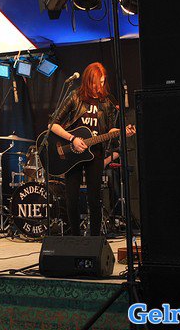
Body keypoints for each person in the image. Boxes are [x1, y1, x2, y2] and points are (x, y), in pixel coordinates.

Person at [51, 62, 135, 236]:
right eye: (97, 82)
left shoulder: (107, 101)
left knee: (94, 199)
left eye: (103, 82)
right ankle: (75, 237)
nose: (100, 86)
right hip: (73, 154)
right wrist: (72, 139)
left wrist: (123, 132)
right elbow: (53, 124)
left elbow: (110, 130)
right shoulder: (75, 96)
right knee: (72, 198)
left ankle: (95, 239)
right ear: (89, 81)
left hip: (95, 153)